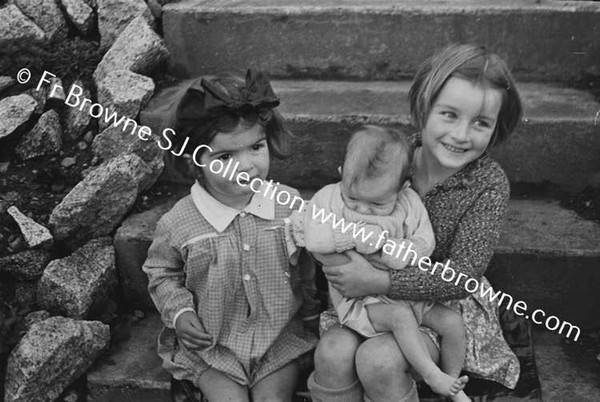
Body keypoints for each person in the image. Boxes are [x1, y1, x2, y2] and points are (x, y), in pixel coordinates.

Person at [307, 43, 523, 402]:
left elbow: (463, 274)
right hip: (366, 295)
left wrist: (382, 280)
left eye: (480, 123)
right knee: (332, 352)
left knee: (377, 360)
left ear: (497, 128)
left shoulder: (487, 183)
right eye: (449, 115)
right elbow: (333, 214)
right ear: (424, 109)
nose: (461, 135)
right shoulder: (390, 157)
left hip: (440, 303)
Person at [143, 70, 320, 402]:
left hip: (277, 339)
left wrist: (311, 311)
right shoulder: (180, 222)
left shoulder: (290, 205)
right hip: (213, 345)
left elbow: (308, 264)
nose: (247, 165)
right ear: (195, 161)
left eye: (256, 147)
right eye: (225, 157)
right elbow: (161, 272)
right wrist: (180, 312)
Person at [292, 126, 469, 401]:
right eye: (353, 198)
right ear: (342, 174)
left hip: (408, 295)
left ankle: (453, 382)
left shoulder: (410, 204)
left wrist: (400, 252)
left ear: (402, 188)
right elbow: (314, 238)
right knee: (397, 318)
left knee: (453, 322)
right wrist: (356, 237)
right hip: (361, 304)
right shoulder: (329, 198)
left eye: (376, 204)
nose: (362, 209)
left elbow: (425, 243)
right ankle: (432, 376)